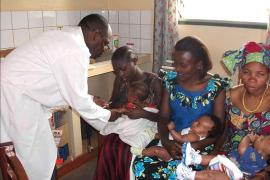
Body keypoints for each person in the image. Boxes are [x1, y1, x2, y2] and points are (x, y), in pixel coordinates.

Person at [0, 14, 121, 180]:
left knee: (39, 151)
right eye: (106, 42)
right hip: (15, 98)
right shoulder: (74, 49)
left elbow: (62, 86)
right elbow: (77, 100)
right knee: (32, 156)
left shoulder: (67, 39)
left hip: (20, 93)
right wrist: (109, 117)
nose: (106, 48)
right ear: (95, 34)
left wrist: (91, 99)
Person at [133, 36, 230, 179]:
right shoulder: (171, 82)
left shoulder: (215, 87)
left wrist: (194, 147)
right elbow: (164, 117)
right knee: (140, 166)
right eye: (176, 63)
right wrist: (166, 143)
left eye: (183, 65)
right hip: (172, 138)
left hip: (200, 145)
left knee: (175, 172)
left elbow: (218, 129)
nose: (177, 69)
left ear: (199, 64)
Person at [94, 46, 163, 180]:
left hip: (147, 127)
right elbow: (114, 104)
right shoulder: (121, 81)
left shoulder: (154, 82)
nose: (120, 74)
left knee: (124, 150)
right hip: (126, 123)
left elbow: (163, 116)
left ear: (135, 61)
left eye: (123, 69)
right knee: (108, 147)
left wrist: (142, 113)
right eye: (116, 71)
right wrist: (105, 106)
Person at [220, 41, 270, 178]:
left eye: (260, 74)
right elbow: (223, 129)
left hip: (260, 164)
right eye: (246, 72)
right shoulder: (230, 94)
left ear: (268, 75)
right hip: (230, 157)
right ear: (240, 73)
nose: (252, 79)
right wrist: (216, 153)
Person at [100, 81, 160, 157]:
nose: (126, 95)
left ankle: (140, 148)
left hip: (138, 126)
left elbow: (133, 118)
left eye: (128, 94)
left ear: (134, 98)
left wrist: (123, 112)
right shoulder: (151, 106)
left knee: (120, 124)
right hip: (148, 127)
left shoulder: (137, 107)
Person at [177, 133, 270, 179]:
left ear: (261, 152)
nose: (260, 136)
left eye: (261, 140)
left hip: (234, 175)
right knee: (215, 160)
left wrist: (248, 137)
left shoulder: (254, 154)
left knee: (212, 175)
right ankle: (193, 159)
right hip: (230, 168)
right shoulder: (263, 162)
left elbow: (241, 149)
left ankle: (188, 174)